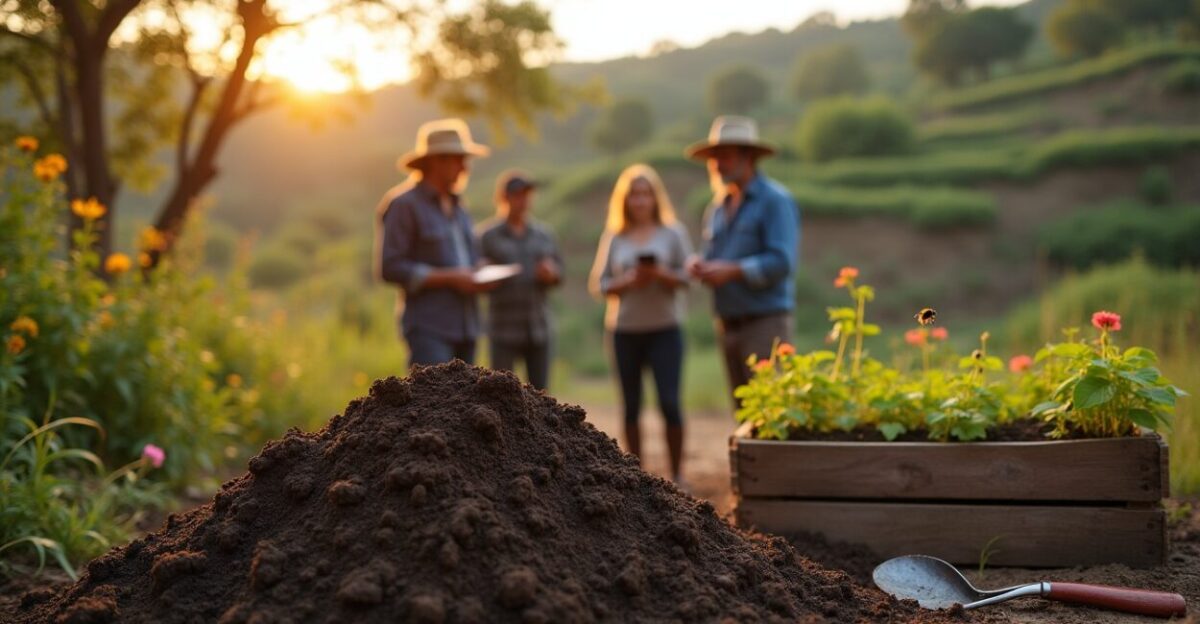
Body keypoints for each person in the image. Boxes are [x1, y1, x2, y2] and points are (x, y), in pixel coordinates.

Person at [685, 115, 800, 410]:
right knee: (745, 413)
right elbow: (712, 257)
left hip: (765, 323)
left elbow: (782, 261)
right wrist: (701, 266)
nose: (717, 164)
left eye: (723, 156)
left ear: (747, 156)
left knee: (772, 412)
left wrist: (732, 272)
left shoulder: (775, 201)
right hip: (728, 324)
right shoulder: (716, 208)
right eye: (714, 158)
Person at [589, 164, 694, 485]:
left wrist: (660, 274)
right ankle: (638, 476)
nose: (640, 200)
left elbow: (689, 278)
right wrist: (627, 282)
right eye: (634, 194)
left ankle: (677, 474)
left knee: (670, 402)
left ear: (655, 197)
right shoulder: (615, 236)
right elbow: (599, 285)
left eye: (645, 193)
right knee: (631, 405)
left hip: (665, 328)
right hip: (624, 331)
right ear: (625, 199)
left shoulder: (673, 233)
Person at [374, 118, 495, 367]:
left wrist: (480, 271)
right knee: (433, 401)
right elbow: (390, 268)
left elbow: (469, 260)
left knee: (465, 404)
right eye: (459, 160)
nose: (465, 168)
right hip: (429, 328)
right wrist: (450, 278)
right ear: (437, 161)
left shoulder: (459, 207)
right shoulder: (404, 205)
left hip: (467, 327)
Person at [477, 170, 563, 390]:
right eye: (518, 195)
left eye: (527, 194)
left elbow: (559, 274)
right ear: (504, 198)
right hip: (503, 328)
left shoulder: (543, 234)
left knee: (541, 395)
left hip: (538, 327)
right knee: (502, 393)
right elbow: (475, 275)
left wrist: (550, 273)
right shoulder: (488, 236)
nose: (523, 200)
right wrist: (485, 272)